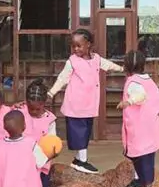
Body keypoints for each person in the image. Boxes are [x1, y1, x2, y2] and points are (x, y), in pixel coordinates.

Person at [47, 28, 123, 173]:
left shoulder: (96, 59)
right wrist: (51, 92)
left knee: (85, 131)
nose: (75, 49)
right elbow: (62, 78)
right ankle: (82, 161)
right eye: (73, 46)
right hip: (76, 104)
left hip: (88, 104)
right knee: (80, 132)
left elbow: (108, 65)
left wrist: (122, 68)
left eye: (79, 45)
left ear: (88, 44)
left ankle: (79, 159)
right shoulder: (72, 61)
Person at [116, 50, 159, 187]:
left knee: (144, 160)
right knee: (136, 156)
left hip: (141, 130)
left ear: (128, 66)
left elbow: (141, 96)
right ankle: (139, 180)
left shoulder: (134, 83)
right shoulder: (146, 79)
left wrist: (128, 102)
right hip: (147, 127)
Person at [17, 78, 57, 187]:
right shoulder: (19, 112)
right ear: (25, 103)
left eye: (37, 109)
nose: (33, 111)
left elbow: (53, 142)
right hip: (21, 163)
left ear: (44, 103)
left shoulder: (50, 119)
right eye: (30, 108)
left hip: (41, 165)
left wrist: (52, 153)